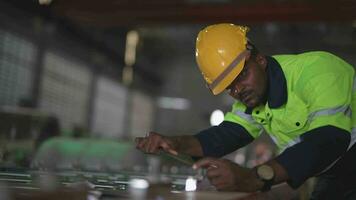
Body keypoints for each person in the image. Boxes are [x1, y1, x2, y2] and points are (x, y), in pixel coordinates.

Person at [135, 23, 356, 199]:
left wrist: (255, 177)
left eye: (241, 76)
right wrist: (175, 144)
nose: (238, 90)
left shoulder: (318, 71)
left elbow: (329, 139)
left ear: (260, 60)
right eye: (229, 87)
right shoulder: (254, 96)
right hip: (335, 171)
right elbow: (227, 135)